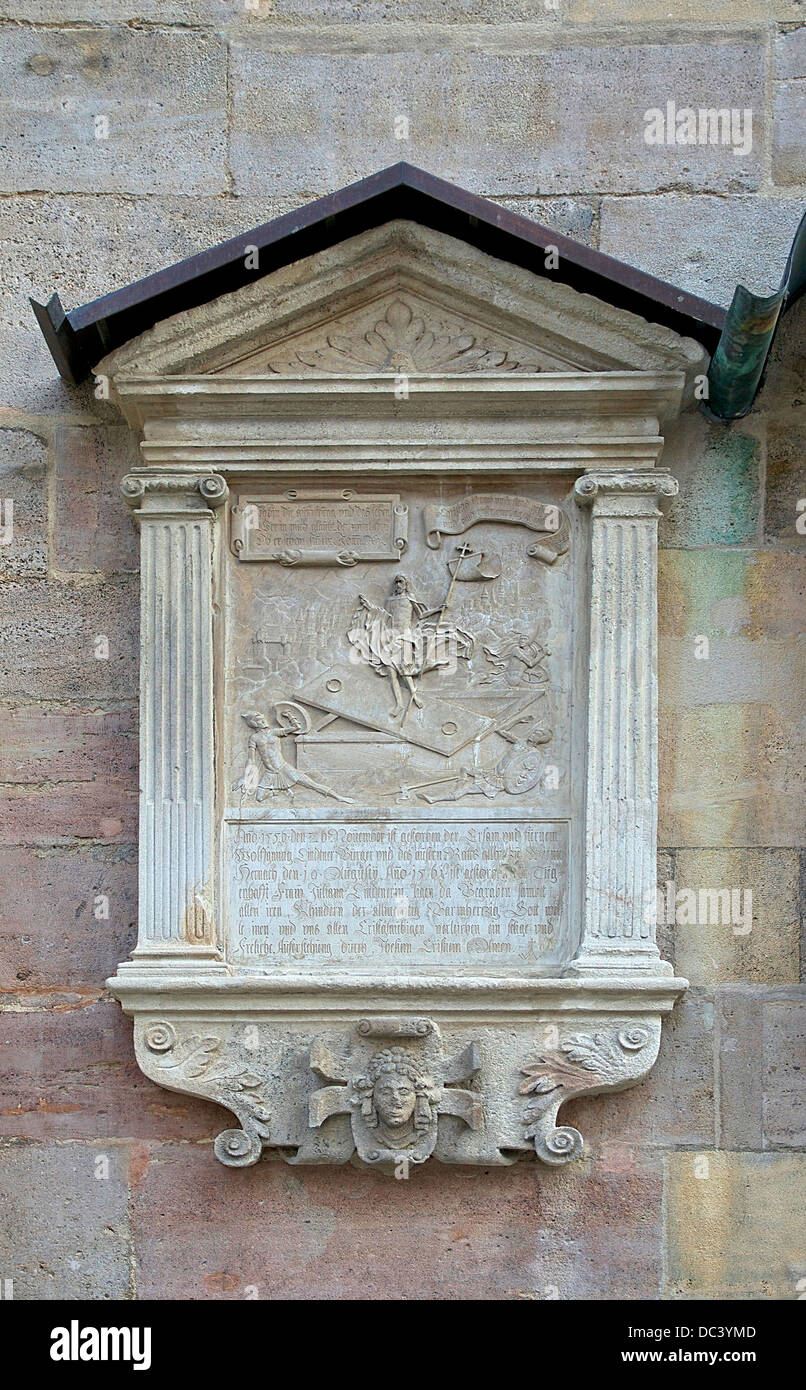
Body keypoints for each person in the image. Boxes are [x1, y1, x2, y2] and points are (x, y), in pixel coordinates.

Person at [348, 574, 474, 717]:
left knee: (405, 669)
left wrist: (438, 609)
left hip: (406, 637)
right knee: (391, 672)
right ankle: (399, 705)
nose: (398, 585)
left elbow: (421, 615)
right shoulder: (390, 600)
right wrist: (370, 608)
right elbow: (385, 615)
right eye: (396, 582)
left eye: (400, 582)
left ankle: (414, 696)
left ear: (406, 584)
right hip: (391, 636)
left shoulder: (410, 598)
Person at [233, 713, 352, 804]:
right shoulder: (254, 738)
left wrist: (290, 716)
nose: (264, 721)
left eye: (263, 719)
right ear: (254, 724)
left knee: (310, 783)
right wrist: (245, 778)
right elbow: (251, 759)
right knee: (259, 798)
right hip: (270, 772)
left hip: (283, 767)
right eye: (259, 720)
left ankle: (339, 797)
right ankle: (277, 791)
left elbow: (296, 727)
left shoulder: (273, 732)